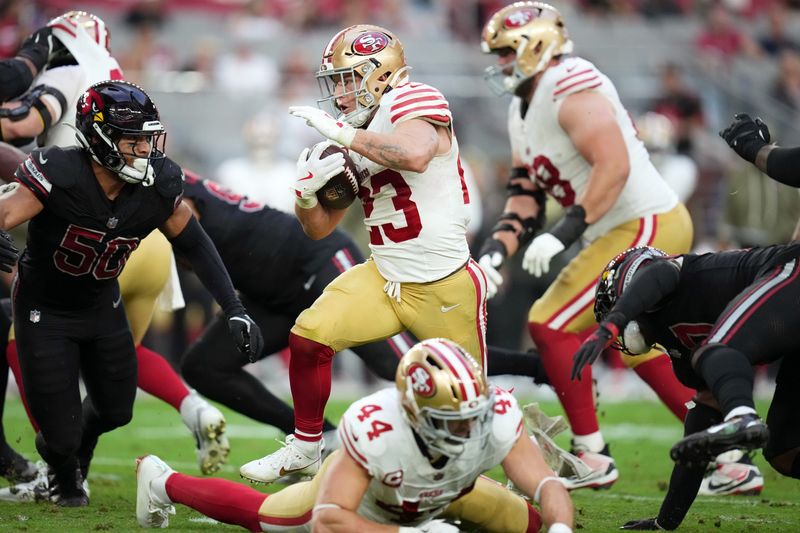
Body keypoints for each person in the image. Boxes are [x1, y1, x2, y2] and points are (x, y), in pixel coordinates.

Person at [239, 24, 489, 484]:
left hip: (443, 282)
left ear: (381, 74)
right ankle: (306, 447)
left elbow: (415, 154)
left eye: (347, 79)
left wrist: (345, 137)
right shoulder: (355, 131)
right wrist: (306, 192)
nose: (339, 91)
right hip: (385, 274)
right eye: (335, 81)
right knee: (309, 336)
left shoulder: (409, 100)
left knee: (467, 405)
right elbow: (319, 229)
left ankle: (512, 483)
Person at [0, 80, 263, 507]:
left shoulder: (158, 183)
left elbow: (194, 243)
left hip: (103, 304)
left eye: (148, 138)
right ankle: (64, 477)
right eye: (134, 140)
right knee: (60, 438)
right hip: (44, 311)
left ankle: (68, 459)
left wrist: (232, 306)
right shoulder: (60, 172)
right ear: (100, 138)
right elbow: (7, 211)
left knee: (117, 410)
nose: (145, 150)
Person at [477, 2, 695, 489]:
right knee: (639, 347)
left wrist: (563, 232)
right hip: (623, 226)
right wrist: (495, 251)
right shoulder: (522, 106)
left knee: (548, 322)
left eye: (508, 53)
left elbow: (613, 166)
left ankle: (592, 455)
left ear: (537, 46)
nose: (502, 64)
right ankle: (722, 453)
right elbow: (525, 193)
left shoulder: (570, 83)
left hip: (643, 221)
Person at [178, 171, 548, 445]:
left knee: (401, 361)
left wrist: (225, 300)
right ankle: (320, 438)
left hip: (314, 263)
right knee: (204, 365)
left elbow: (190, 230)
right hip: (268, 291)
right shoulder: (151, 185)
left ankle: (536, 366)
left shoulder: (162, 191)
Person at [137, 338, 574, 533]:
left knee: (533, 525)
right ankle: (162, 482)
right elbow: (331, 520)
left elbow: (547, 483)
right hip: (369, 505)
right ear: (414, 412)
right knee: (266, 517)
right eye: (452, 420)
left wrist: (561, 530)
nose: (469, 428)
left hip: (447, 490)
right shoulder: (376, 429)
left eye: (472, 415)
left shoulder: (492, 414)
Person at [570, 245, 797, 529]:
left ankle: (742, 417)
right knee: (784, 452)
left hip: (789, 272)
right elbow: (699, 428)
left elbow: (662, 274)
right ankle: (742, 418)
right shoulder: (679, 349)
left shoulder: (670, 275)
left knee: (711, 350)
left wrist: (609, 326)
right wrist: (665, 522)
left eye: (622, 308)